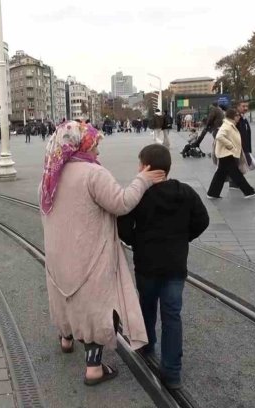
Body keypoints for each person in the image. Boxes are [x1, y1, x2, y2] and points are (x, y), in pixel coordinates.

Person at [40, 121, 165, 386]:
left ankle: (65, 338)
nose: (98, 151)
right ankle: (94, 368)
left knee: (65, 295)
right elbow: (121, 203)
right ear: (82, 143)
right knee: (95, 304)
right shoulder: (93, 173)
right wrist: (142, 179)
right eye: (96, 144)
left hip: (58, 253)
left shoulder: (50, 174)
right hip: (89, 252)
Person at [117, 144, 209, 389]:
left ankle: (147, 345)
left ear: (145, 167)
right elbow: (203, 220)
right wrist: (182, 238)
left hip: (147, 265)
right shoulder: (185, 192)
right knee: (172, 315)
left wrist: (138, 242)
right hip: (175, 266)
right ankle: (172, 373)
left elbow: (123, 228)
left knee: (146, 306)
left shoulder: (139, 195)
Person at [206, 109, 255, 199]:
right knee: (236, 173)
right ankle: (248, 191)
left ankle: (212, 193)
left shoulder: (230, 125)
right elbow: (219, 136)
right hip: (226, 154)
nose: (239, 117)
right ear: (232, 116)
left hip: (225, 154)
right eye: (237, 115)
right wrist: (230, 145)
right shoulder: (227, 126)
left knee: (220, 174)